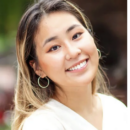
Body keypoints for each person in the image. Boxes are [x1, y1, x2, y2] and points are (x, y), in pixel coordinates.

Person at [11, 0, 128, 130]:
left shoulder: (116, 109)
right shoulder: (41, 124)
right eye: (54, 47)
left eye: (76, 35)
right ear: (38, 68)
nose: (73, 52)